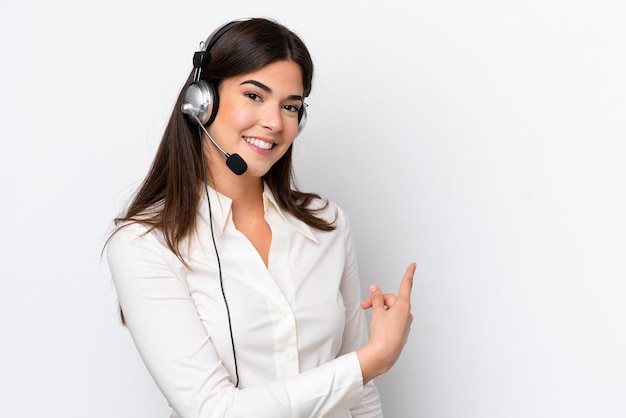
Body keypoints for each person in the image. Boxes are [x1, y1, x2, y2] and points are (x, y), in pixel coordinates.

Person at [106, 17, 415, 418]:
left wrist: (363, 368)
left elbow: (360, 399)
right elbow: (212, 410)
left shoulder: (327, 224)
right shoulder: (145, 244)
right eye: (254, 96)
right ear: (203, 101)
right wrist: (371, 360)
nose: (274, 123)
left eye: (291, 106)